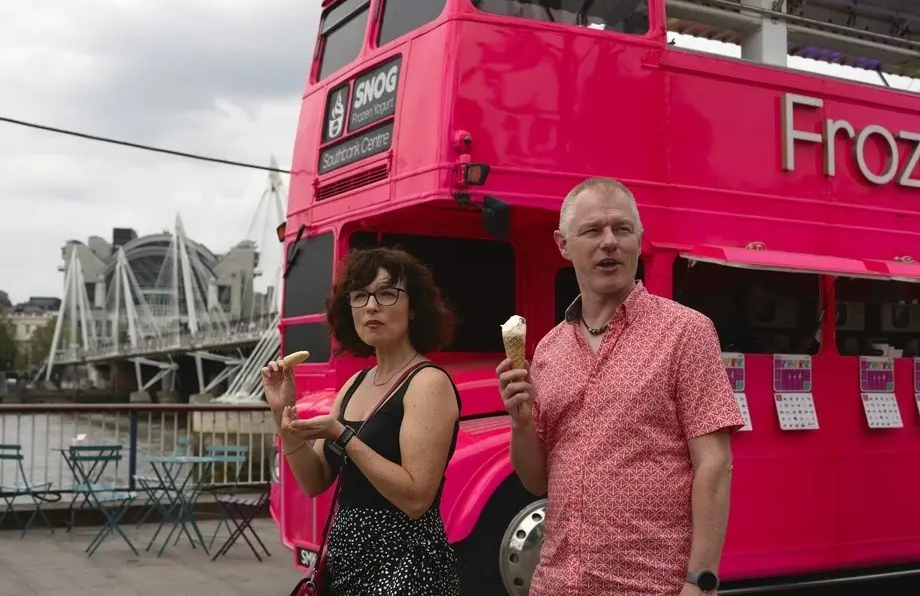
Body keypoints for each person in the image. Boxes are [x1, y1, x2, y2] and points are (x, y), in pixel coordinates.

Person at [497, 177, 746, 596]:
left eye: (622, 229)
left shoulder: (686, 332)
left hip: (652, 586)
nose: (609, 242)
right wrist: (520, 422)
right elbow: (536, 482)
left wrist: (700, 581)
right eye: (593, 230)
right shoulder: (548, 349)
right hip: (556, 584)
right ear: (563, 244)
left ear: (638, 240)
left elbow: (714, 464)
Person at [262, 246, 461, 596]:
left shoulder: (428, 383)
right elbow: (314, 480)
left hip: (406, 567)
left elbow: (416, 498)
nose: (371, 306)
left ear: (414, 308)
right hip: (346, 562)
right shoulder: (353, 385)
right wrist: (283, 413)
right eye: (360, 295)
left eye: (386, 293)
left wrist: (343, 436)